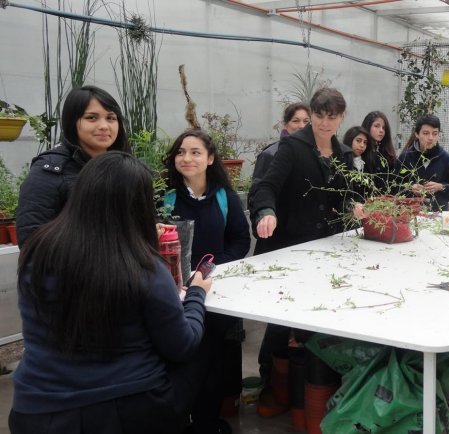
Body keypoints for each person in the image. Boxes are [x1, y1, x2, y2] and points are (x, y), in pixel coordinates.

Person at [10, 151, 212, 434]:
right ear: (138, 206)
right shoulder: (142, 265)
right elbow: (182, 345)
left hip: (36, 410)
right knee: (203, 338)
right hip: (126, 411)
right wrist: (196, 295)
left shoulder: (38, 251)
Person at [250, 87, 353, 417]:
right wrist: (266, 211)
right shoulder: (293, 147)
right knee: (283, 318)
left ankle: (308, 392)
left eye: (332, 117)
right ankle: (273, 382)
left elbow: (344, 197)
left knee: (316, 318)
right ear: (313, 114)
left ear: (341, 118)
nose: (325, 123)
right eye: (320, 115)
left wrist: (356, 207)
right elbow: (266, 185)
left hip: (327, 251)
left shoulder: (343, 154)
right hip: (290, 247)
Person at [162, 129, 250, 433]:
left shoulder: (225, 197)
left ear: (210, 159)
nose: (187, 158)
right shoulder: (166, 198)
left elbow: (240, 239)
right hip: (174, 295)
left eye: (196, 152)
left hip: (213, 292)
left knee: (212, 363)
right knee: (181, 362)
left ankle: (206, 422)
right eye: (181, 152)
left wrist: (212, 269)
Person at [16, 85, 131, 246]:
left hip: (124, 267)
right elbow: (32, 240)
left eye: (111, 118)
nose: (104, 126)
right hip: (73, 269)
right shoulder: (50, 171)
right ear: (71, 121)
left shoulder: (124, 166)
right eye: (92, 118)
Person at [248, 103, 310, 216]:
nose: (302, 126)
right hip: (280, 227)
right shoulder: (270, 154)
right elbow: (256, 196)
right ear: (285, 124)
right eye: (295, 121)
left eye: (306, 121)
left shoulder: (318, 154)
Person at [396, 114, 449, 211]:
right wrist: (410, 187)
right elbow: (394, 186)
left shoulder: (446, 159)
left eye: (435, 133)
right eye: (426, 133)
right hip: (410, 213)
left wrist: (442, 187)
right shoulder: (405, 157)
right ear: (417, 134)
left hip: (439, 214)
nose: (431, 138)